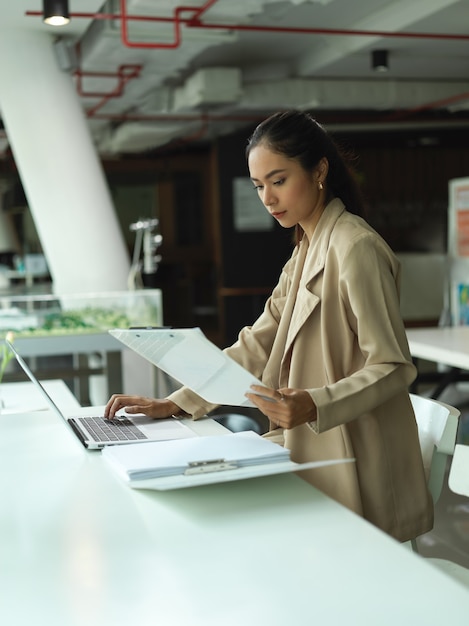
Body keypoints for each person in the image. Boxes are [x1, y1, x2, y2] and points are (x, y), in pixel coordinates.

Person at [105, 110, 432, 542]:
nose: (267, 198)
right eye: (259, 185)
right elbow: (256, 343)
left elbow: (394, 367)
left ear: (319, 171)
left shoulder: (355, 247)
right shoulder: (304, 250)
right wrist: (177, 402)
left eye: (278, 181)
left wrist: (316, 403)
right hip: (315, 446)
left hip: (357, 454)